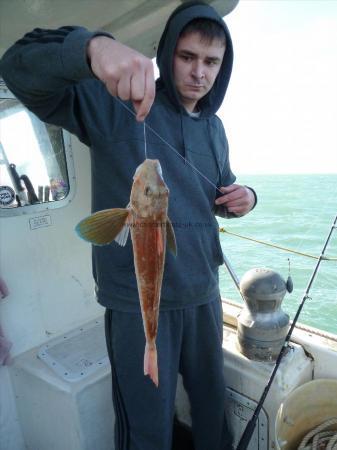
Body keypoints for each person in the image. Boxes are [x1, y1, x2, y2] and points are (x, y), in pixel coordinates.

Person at [0, 1, 257, 449]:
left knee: (212, 413)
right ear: (167, 53)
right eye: (187, 57)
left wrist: (245, 199)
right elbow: (17, 67)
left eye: (211, 62)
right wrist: (92, 48)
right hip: (135, 305)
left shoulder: (214, 129)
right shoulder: (113, 104)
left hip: (203, 296)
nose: (200, 72)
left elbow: (218, 193)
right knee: (147, 428)